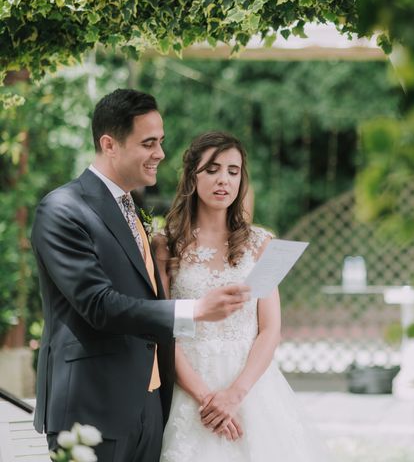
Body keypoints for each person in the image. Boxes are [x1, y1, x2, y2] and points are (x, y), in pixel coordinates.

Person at [30, 89, 250, 462]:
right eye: (149, 143)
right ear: (109, 144)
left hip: (150, 407)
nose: (161, 154)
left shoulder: (132, 208)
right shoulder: (62, 210)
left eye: (161, 142)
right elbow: (98, 305)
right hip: (92, 407)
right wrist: (194, 310)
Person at [156, 132, 331, 461]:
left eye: (233, 171)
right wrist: (209, 400)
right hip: (190, 389)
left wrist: (234, 396)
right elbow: (166, 328)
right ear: (192, 176)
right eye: (212, 169)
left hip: (252, 387)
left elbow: (270, 329)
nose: (223, 179)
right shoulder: (166, 244)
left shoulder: (261, 244)